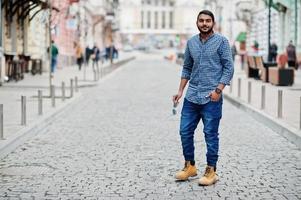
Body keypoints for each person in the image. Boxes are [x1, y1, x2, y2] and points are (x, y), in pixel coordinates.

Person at [172, 10, 234, 186]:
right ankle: (189, 166)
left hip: (211, 97)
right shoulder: (191, 42)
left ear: (213, 22)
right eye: (201, 21)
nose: (204, 23)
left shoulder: (222, 42)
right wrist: (180, 91)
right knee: (185, 131)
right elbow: (187, 68)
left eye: (208, 20)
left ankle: (211, 170)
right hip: (192, 96)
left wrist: (218, 90)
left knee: (210, 134)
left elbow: (228, 68)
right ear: (197, 22)